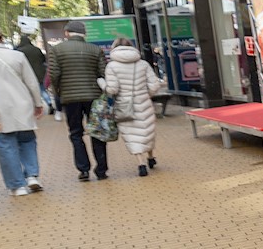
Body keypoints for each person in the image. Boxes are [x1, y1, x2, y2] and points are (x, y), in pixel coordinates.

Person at [0, 26, 46, 197]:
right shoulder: (18, 55)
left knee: (6, 147)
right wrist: (37, 102)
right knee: (27, 142)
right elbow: (31, 82)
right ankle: (32, 176)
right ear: (1, 38)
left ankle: (17, 185)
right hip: (22, 105)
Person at [47, 21, 109, 182]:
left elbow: (54, 74)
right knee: (97, 131)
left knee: (76, 133)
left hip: (70, 97)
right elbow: (103, 72)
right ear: (83, 33)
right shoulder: (95, 50)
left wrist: (58, 91)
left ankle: (84, 169)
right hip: (94, 97)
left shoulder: (56, 50)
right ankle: (101, 169)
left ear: (67, 33)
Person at [100, 36, 165, 175]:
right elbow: (154, 85)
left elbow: (112, 90)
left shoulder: (111, 66)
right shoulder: (143, 64)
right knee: (147, 131)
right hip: (144, 103)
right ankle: (151, 157)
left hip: (124, 106)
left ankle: (141, 164)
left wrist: (102, 84)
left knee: (132, 135)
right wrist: (147, 95)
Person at [17, 31, 53, 110]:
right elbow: (43, 59)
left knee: (28, 91)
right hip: (40, 72)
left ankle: (33, 106)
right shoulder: (37, 49)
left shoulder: (19, 51)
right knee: (42, 89)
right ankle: (49, 102)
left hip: (27, 74)